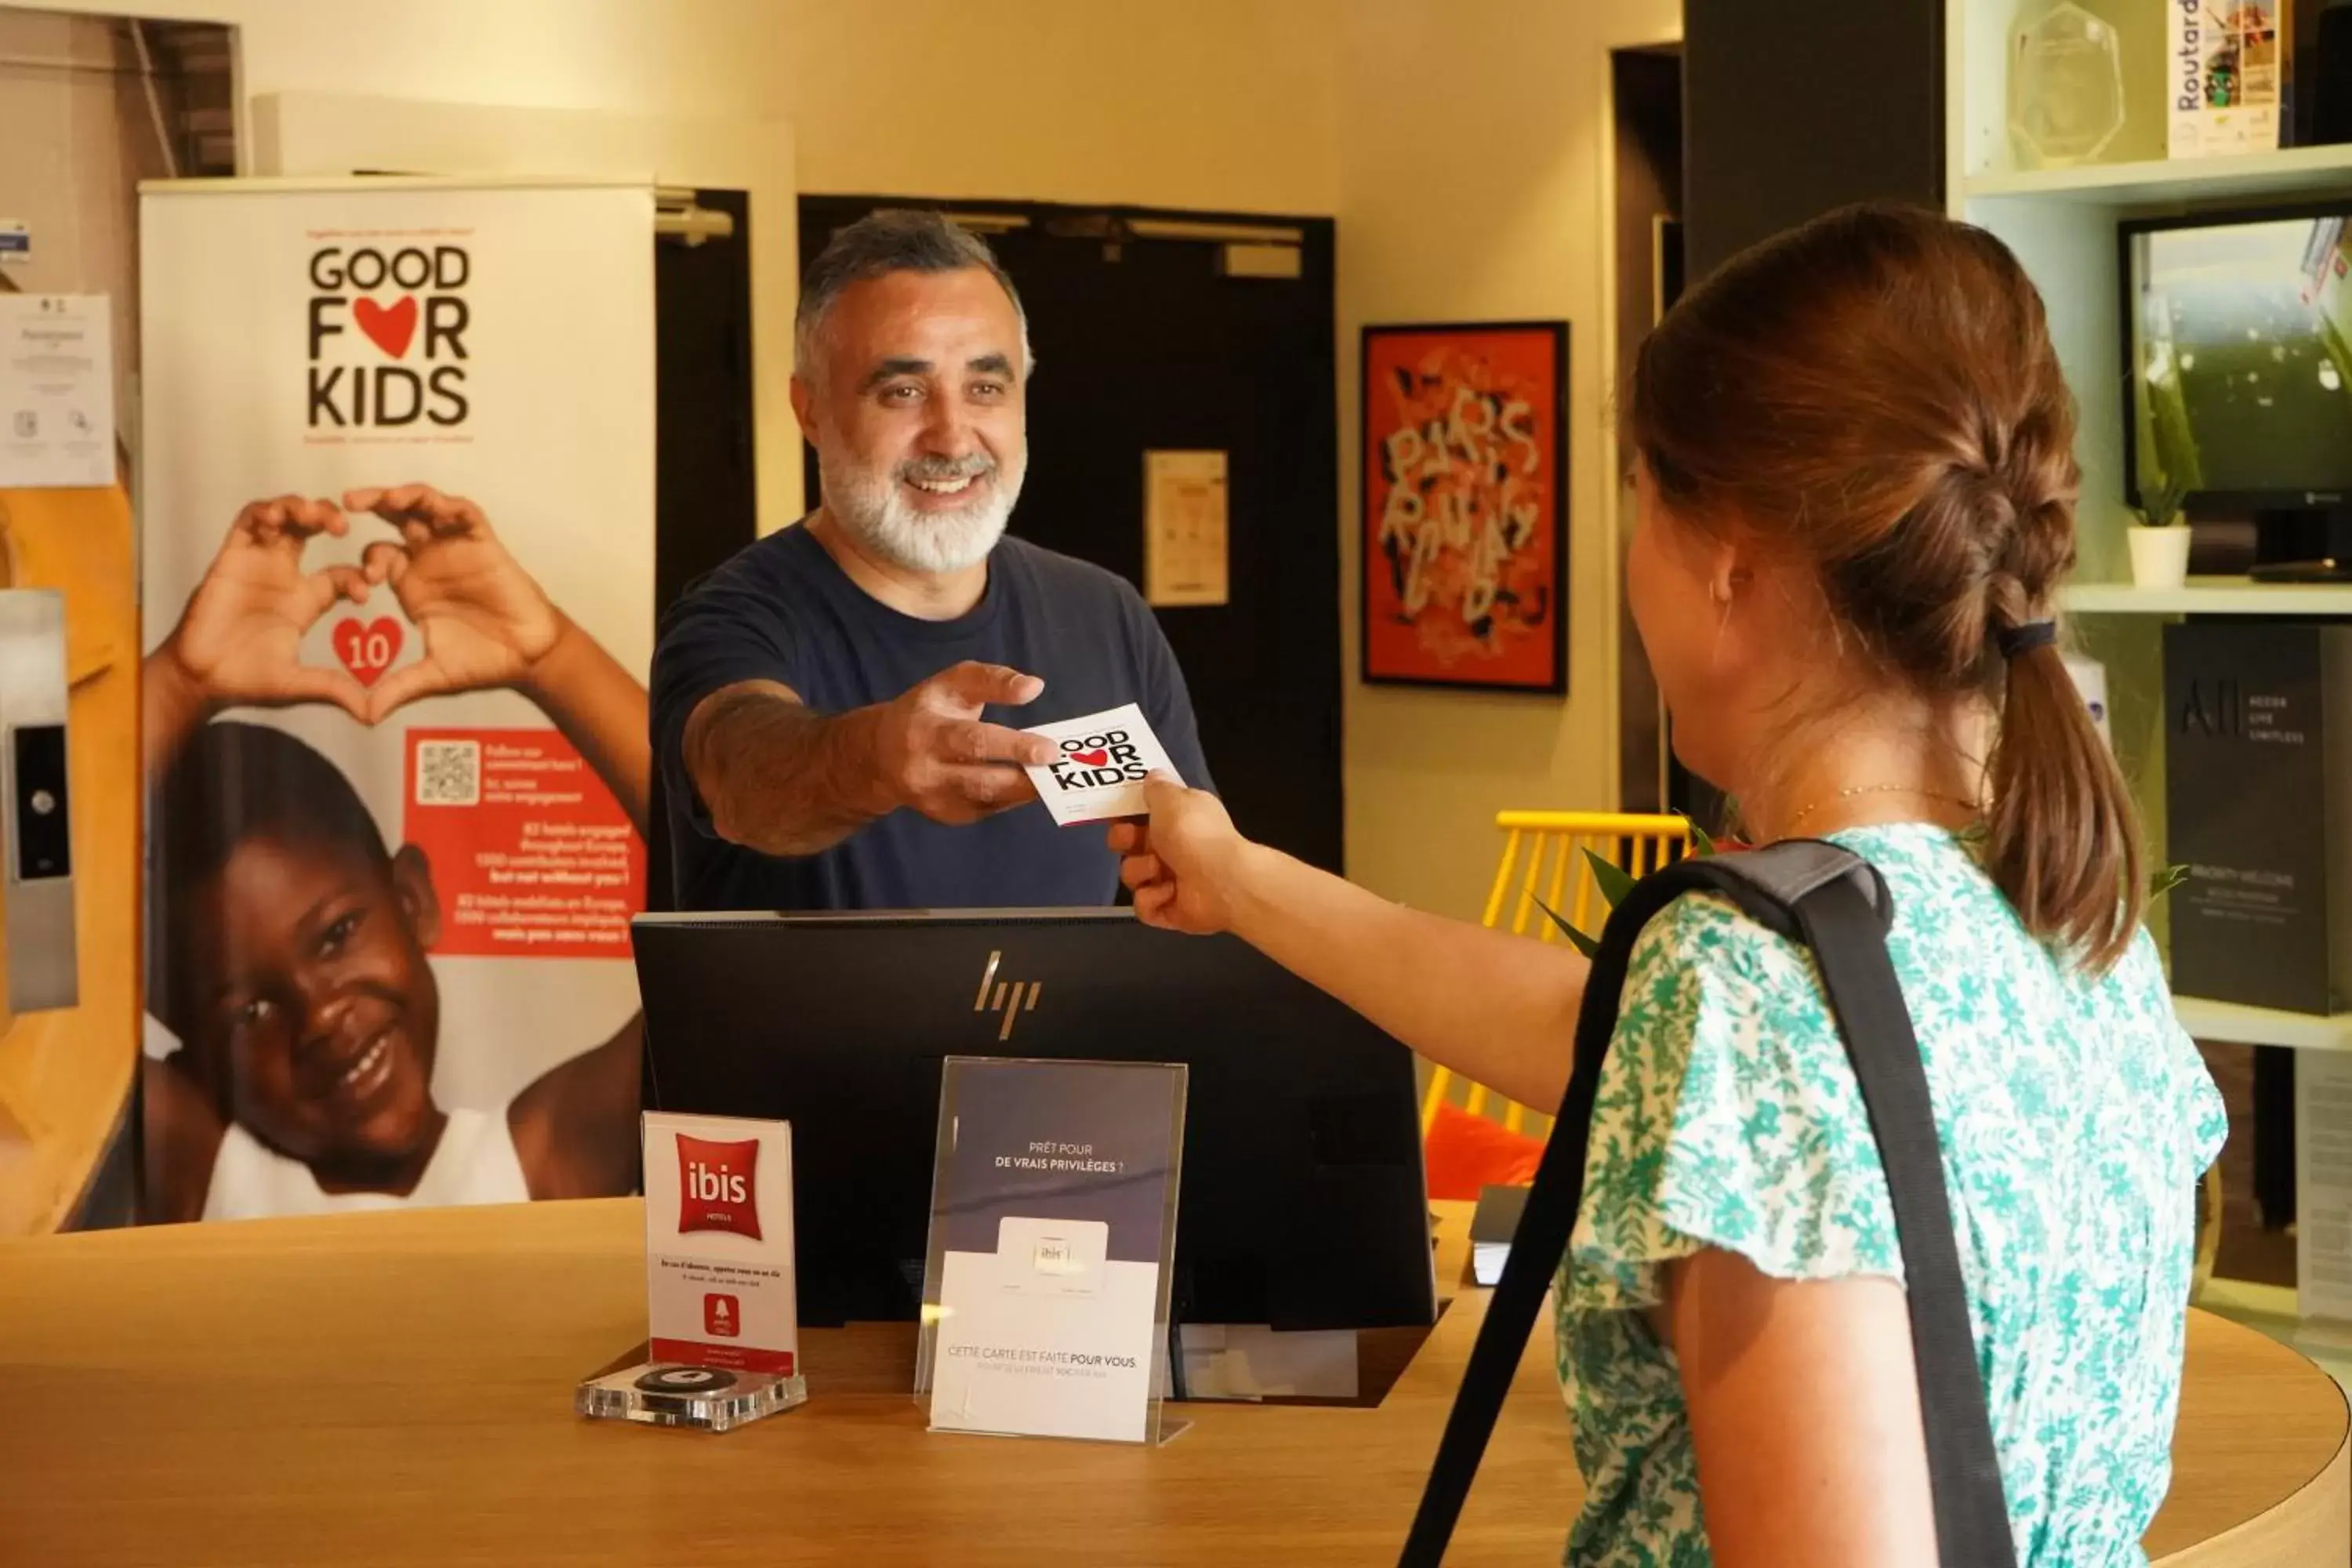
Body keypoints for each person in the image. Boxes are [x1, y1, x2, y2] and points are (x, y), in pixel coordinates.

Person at [1112, 205, 2226, 1566]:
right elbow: (1602, 1033)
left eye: (1638, 505)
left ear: (1728, 565)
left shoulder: (1756, 990)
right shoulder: (2071, 926)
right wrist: (1236, 877)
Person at [651, 209, 1210, 912]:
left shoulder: (1104, 614)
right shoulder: (733, 619)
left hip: (1075, 1030)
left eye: (985, 387)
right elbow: (743, 779)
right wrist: (877, 760)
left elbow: (1194, 880)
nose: (951, 438)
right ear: (811, 410)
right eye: (903, 392)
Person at [142, 487, 649, 1221]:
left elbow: (750, 911)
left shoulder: (532, 1172)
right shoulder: (207, 1170)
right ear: (190, 1055)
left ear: (414, 899)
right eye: (247, 1009)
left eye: (338, 934)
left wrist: (555, 659)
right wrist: (179, 685)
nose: (318, 1017)